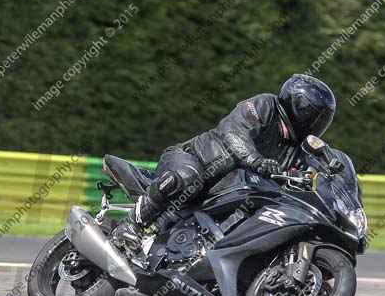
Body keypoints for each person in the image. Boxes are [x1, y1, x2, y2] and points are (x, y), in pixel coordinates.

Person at [112, 74, 337, 249]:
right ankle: (131, 224)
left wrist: (332, 179)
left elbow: (309, 172)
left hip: (226, 192)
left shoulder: (296, 150)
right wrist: (255, 160)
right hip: (192, 159)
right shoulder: (265, 105)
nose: (315, 124)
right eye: (313, 115)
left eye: (322, 120)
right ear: (298, 107)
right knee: (188, 176)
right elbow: (234, 132)